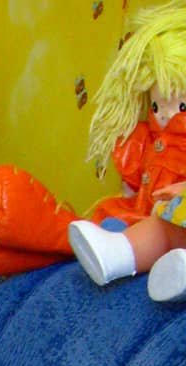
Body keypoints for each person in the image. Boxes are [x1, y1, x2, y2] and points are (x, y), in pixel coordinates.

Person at [66, 4, 186, 302]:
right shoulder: (148, 137)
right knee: (160, 230)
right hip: (169, 223)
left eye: (181, 107)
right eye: (156, 106)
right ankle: (117, 254)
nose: (164, 116)